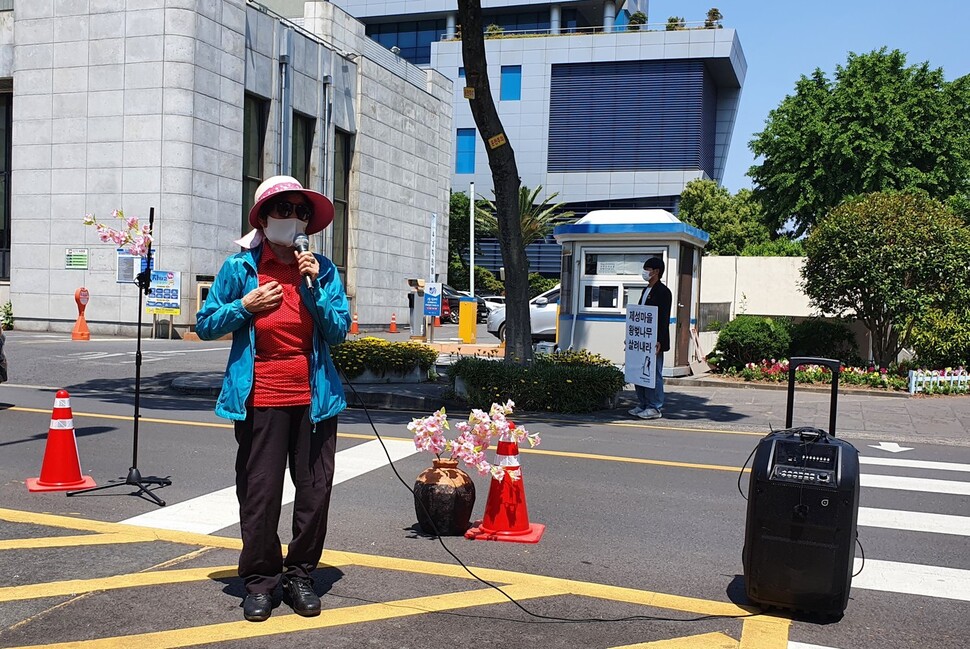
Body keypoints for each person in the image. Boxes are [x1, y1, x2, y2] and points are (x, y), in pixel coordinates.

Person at [196, 175, 351, 622]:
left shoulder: (322, 268)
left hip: (315, 398)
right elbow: (206, 324)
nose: (294, 219)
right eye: (283, 210)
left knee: (315, 492)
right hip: (260, 396)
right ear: (263, 219)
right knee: (260, 494)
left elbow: (338, 330)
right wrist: (245, 306)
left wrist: (315, 287)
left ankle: (300, 574)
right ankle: (261, 581)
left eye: (302, 211)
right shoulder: (239, 268)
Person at [630, 256, 672, 420]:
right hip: (642, 341)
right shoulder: (645, 290)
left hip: (654, 341)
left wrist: (659, 340)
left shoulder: (663, 292)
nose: (644, 272)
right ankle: (643, 403)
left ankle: (655, 406)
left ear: (656, 271)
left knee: (653, 374)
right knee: (639, 371)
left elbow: (663, 319)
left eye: (647, 269)